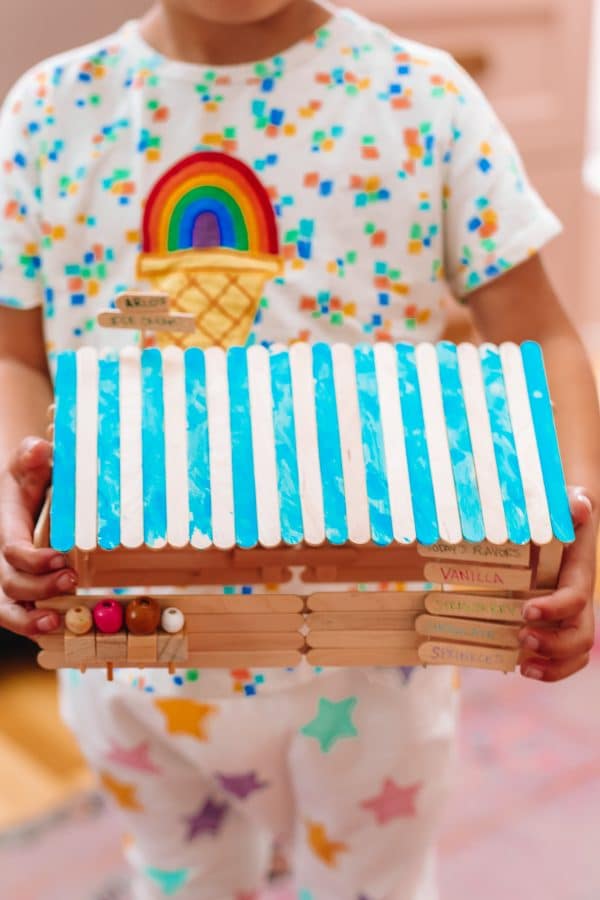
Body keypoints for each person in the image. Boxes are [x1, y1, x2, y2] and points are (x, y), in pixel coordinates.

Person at [0, 1, 598, 898]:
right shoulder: (49, 107)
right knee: (179, 878)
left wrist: (570, 517)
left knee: (371, 885)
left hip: (376, 659)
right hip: (128, 641)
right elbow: (17, 349)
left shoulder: (425, 97)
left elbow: (540, 332)